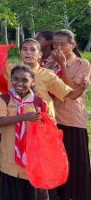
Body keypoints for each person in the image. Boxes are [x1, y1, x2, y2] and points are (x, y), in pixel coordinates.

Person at [46, 30, 91, 200]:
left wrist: (63, 65)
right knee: (57, 159)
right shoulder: (49, 63)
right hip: (53, 117)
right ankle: (60, 194)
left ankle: (78, 194)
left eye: (62, 44)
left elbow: (72, 90)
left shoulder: (82, 64)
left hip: (72, 118)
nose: (57, 47)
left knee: (75, 159)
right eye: (55, 44)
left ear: (73, 45)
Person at [0, 65, 49, 200]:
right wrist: (23, 117)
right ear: (11, 79)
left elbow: (46, 128)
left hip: (32, 157)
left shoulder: (39, 102)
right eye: (15, 79)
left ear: (32, 82)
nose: (19, 83)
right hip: (10, 158)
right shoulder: (4, 99)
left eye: (25, 80)